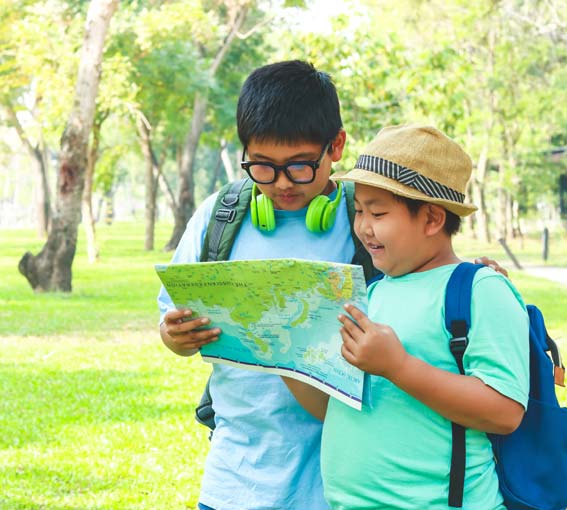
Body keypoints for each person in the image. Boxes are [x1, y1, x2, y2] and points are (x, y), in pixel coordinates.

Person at [158, 61, 507, 510]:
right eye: (262, 167)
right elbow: (172, 320)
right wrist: (175, 336)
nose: (281, 183)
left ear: (336, 145)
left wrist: (475, 275)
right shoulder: (220, 216)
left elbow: (431, 272)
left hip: (344, 477)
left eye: (299, 166)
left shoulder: (363, 220)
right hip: (236, 473)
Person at [284, 125, 530, 509]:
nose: (364, 226)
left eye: (378, 213)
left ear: (432, 219)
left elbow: (505, 411)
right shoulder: (375, 291)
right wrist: (286, 358)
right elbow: (339, 406)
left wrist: (397, 366)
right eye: (359, 210)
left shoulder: (480, 289)